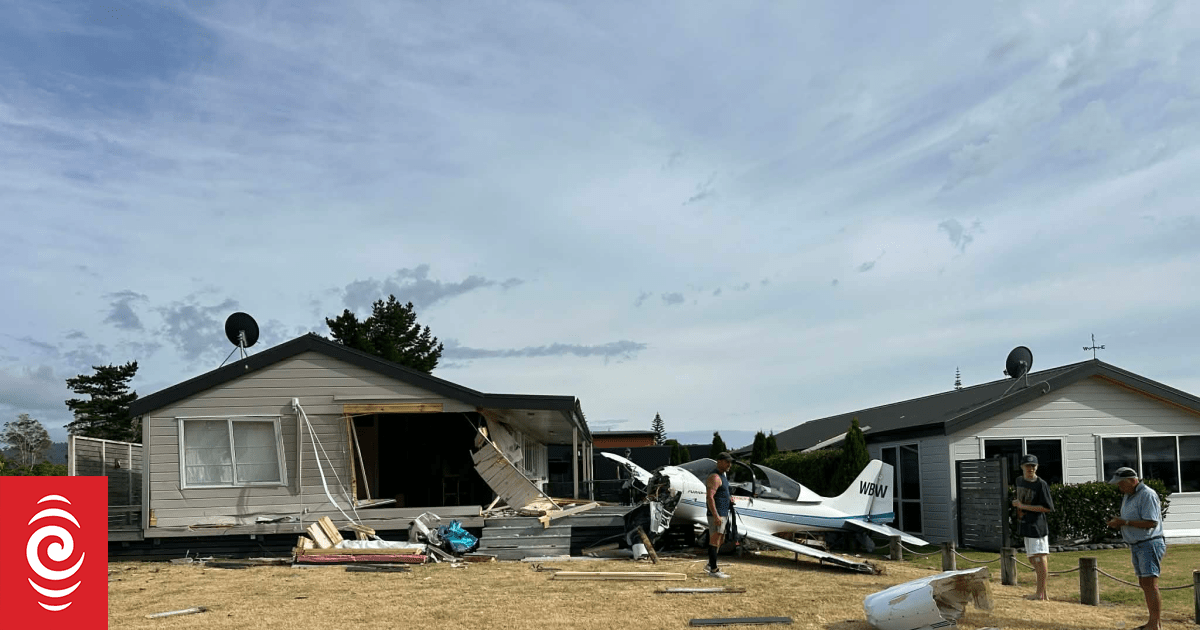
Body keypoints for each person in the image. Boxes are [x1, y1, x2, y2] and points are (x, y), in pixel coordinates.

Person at [1106, 467, 1166, 630]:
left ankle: (1155, 624)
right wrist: (1119, 522)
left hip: (1149, 543)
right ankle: (1152, 622)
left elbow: (1151, 522)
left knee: (1151, 583)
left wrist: (1124, 522)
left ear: (1132, 481)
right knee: (1144, 583)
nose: (1119, 487)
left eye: (1121, 484)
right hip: (1137, 545)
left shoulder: (1147, 495)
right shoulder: (1128, 495)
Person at [1011, 454, 1054, 601]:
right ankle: (1043, 592)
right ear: (1022, 467)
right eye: (1028, 466)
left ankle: (1040, 594)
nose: (1031, 468)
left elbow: (1047, 508)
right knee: (1032, 559)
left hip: (1037, 527)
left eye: (1033, 466)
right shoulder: (1019, 481)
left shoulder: (1041, 484)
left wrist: (1024, 506)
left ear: (1037, 467)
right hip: (1025, 525)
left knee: (1040, 558)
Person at [704, 451, 735, 578]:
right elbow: (710, 497)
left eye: (730, 462)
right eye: (727, 462)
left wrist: (729, 499)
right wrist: (715, 515)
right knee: (715, 540)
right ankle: (714, 570)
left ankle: (710, 563)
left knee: (720, 540)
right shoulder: (715, 477)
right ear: (719, 462)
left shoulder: (723, 476)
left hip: (723, 512)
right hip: (717, 514)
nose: (729, 465)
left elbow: (722, 493)